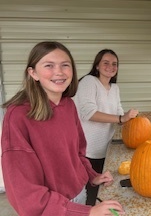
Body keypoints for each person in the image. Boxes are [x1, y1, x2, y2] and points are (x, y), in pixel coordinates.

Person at [1, 41, 125, 215]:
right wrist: (85, 212)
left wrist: (91, 175)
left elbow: (77, 153)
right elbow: (24, 191)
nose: (59, 72)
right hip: (51, 209)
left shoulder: (68, 105)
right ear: (33, 73)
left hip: (78, 193)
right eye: (49, 65)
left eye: (65, 65)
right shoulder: (18, 115)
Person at [73, 49, 138, 206]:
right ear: (97, 65)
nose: (111, 66)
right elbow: (89, 113)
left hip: (106, 149)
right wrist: (121, 118)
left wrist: (134, 122)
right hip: (88, 150)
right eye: (106, 63)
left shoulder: (114, 88)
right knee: (91, 191)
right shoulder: (89, 82)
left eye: (114, 64)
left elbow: (119, 114)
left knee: (104, 187)